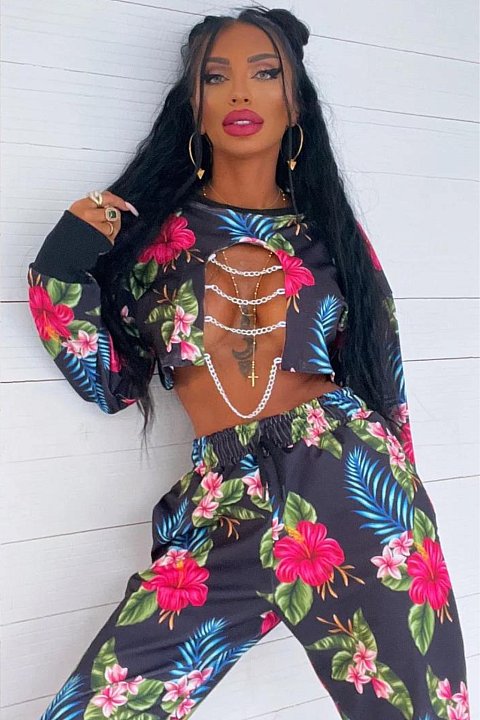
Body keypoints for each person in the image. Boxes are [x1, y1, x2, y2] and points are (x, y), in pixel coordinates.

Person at [27, 6, 470, 720]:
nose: (240, 91)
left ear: (295, 104)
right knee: (96, 709)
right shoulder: (154, 241)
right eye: (216, 76)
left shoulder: (331, 235)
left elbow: (384, 378)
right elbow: (107, 381)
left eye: (265, 74)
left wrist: (408, 512)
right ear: (193, 105)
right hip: (223, 502)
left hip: (349, 481)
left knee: (418, 711)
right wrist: (64, 261)